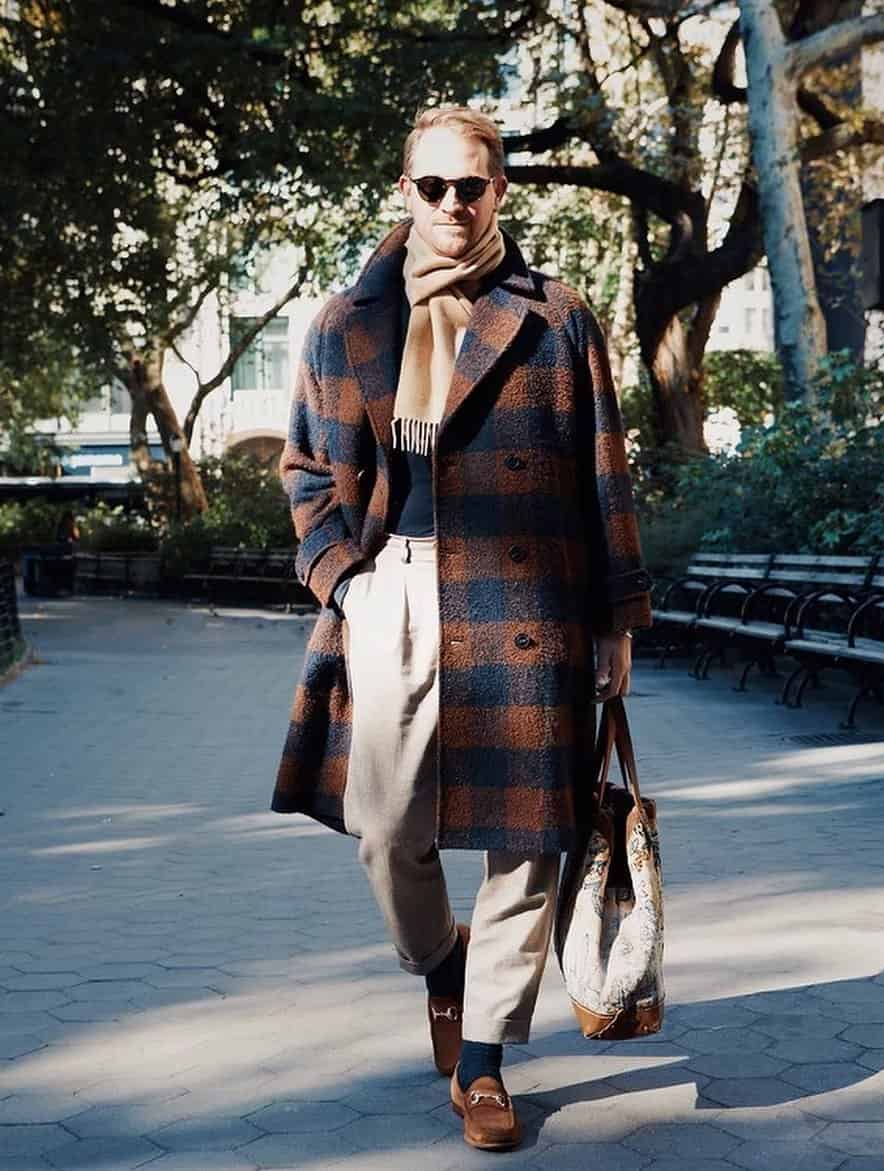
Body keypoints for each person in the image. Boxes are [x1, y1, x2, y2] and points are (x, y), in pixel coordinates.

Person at [272, 106, 653, 1152]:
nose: (452, 205)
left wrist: (617, 616)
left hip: (531, 600)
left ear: (499, 194)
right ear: (405, 191)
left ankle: (483, 1061)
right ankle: (443, 962)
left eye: (471, 187)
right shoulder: (349, 321)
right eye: (432, 187)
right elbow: (307, 470)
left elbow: (603, 471)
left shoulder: (557, 315)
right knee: (388, 829)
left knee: (528, 841)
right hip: (393, 587)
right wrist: (342, 579)